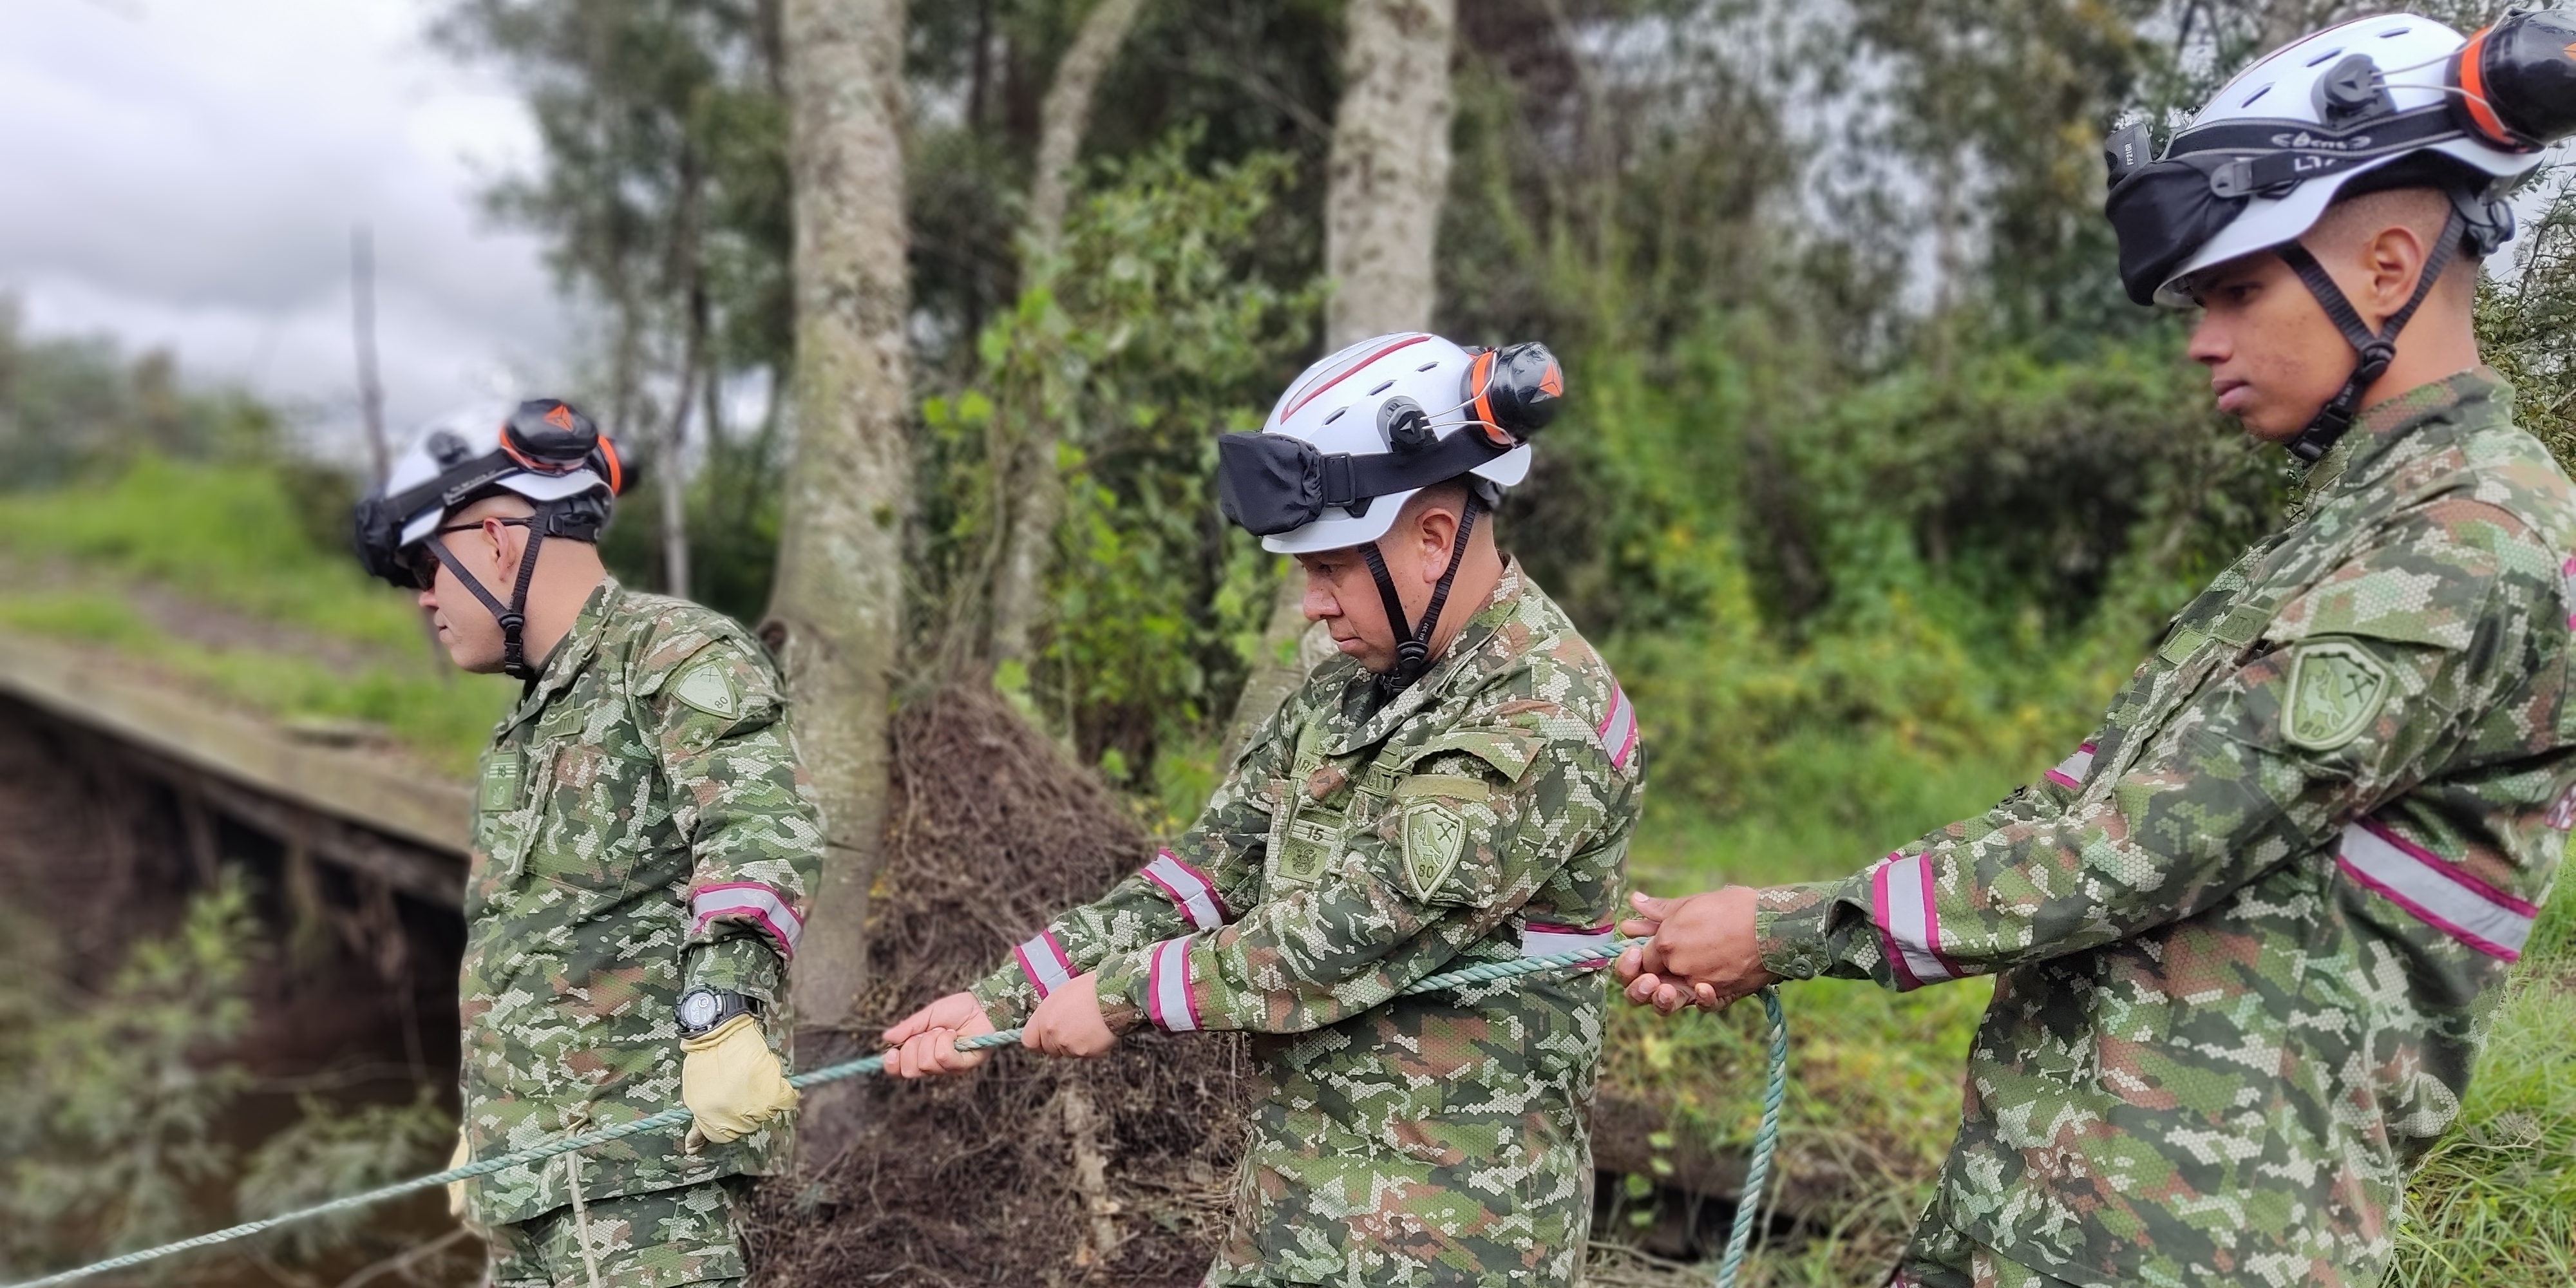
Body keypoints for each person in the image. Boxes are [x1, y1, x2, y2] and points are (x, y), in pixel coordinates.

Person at [1616, 14, 2576, 1288]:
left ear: (2389, 262)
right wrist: (1773, 918)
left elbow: (2139, 847)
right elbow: (2087, 802)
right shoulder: (2363, 522)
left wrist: (1788, 929)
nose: (2199, 340)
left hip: (2189, 1236)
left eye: (2236, 289)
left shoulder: (2468, 542)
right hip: (2058, 1197)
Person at [881, 333, 1644, 1287]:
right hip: (1293, 1222)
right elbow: (1198, 878)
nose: (1312, 606)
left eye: (1329, 569)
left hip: (1453, 1244)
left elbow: (1356, 924)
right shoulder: (1348, 694)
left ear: (1435, 538)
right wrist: (998, 998)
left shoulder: (1544, 714)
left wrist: (1123, 999)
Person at [352, 399, 824, 1288]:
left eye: (429, 563)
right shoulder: (526, 730)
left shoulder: (674, 653)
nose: (424, 595)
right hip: (533, 1188)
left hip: (648, 1193)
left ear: (496, 541)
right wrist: (494, 1120)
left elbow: (761, 829)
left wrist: (723, 1014)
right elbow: (530, 949)